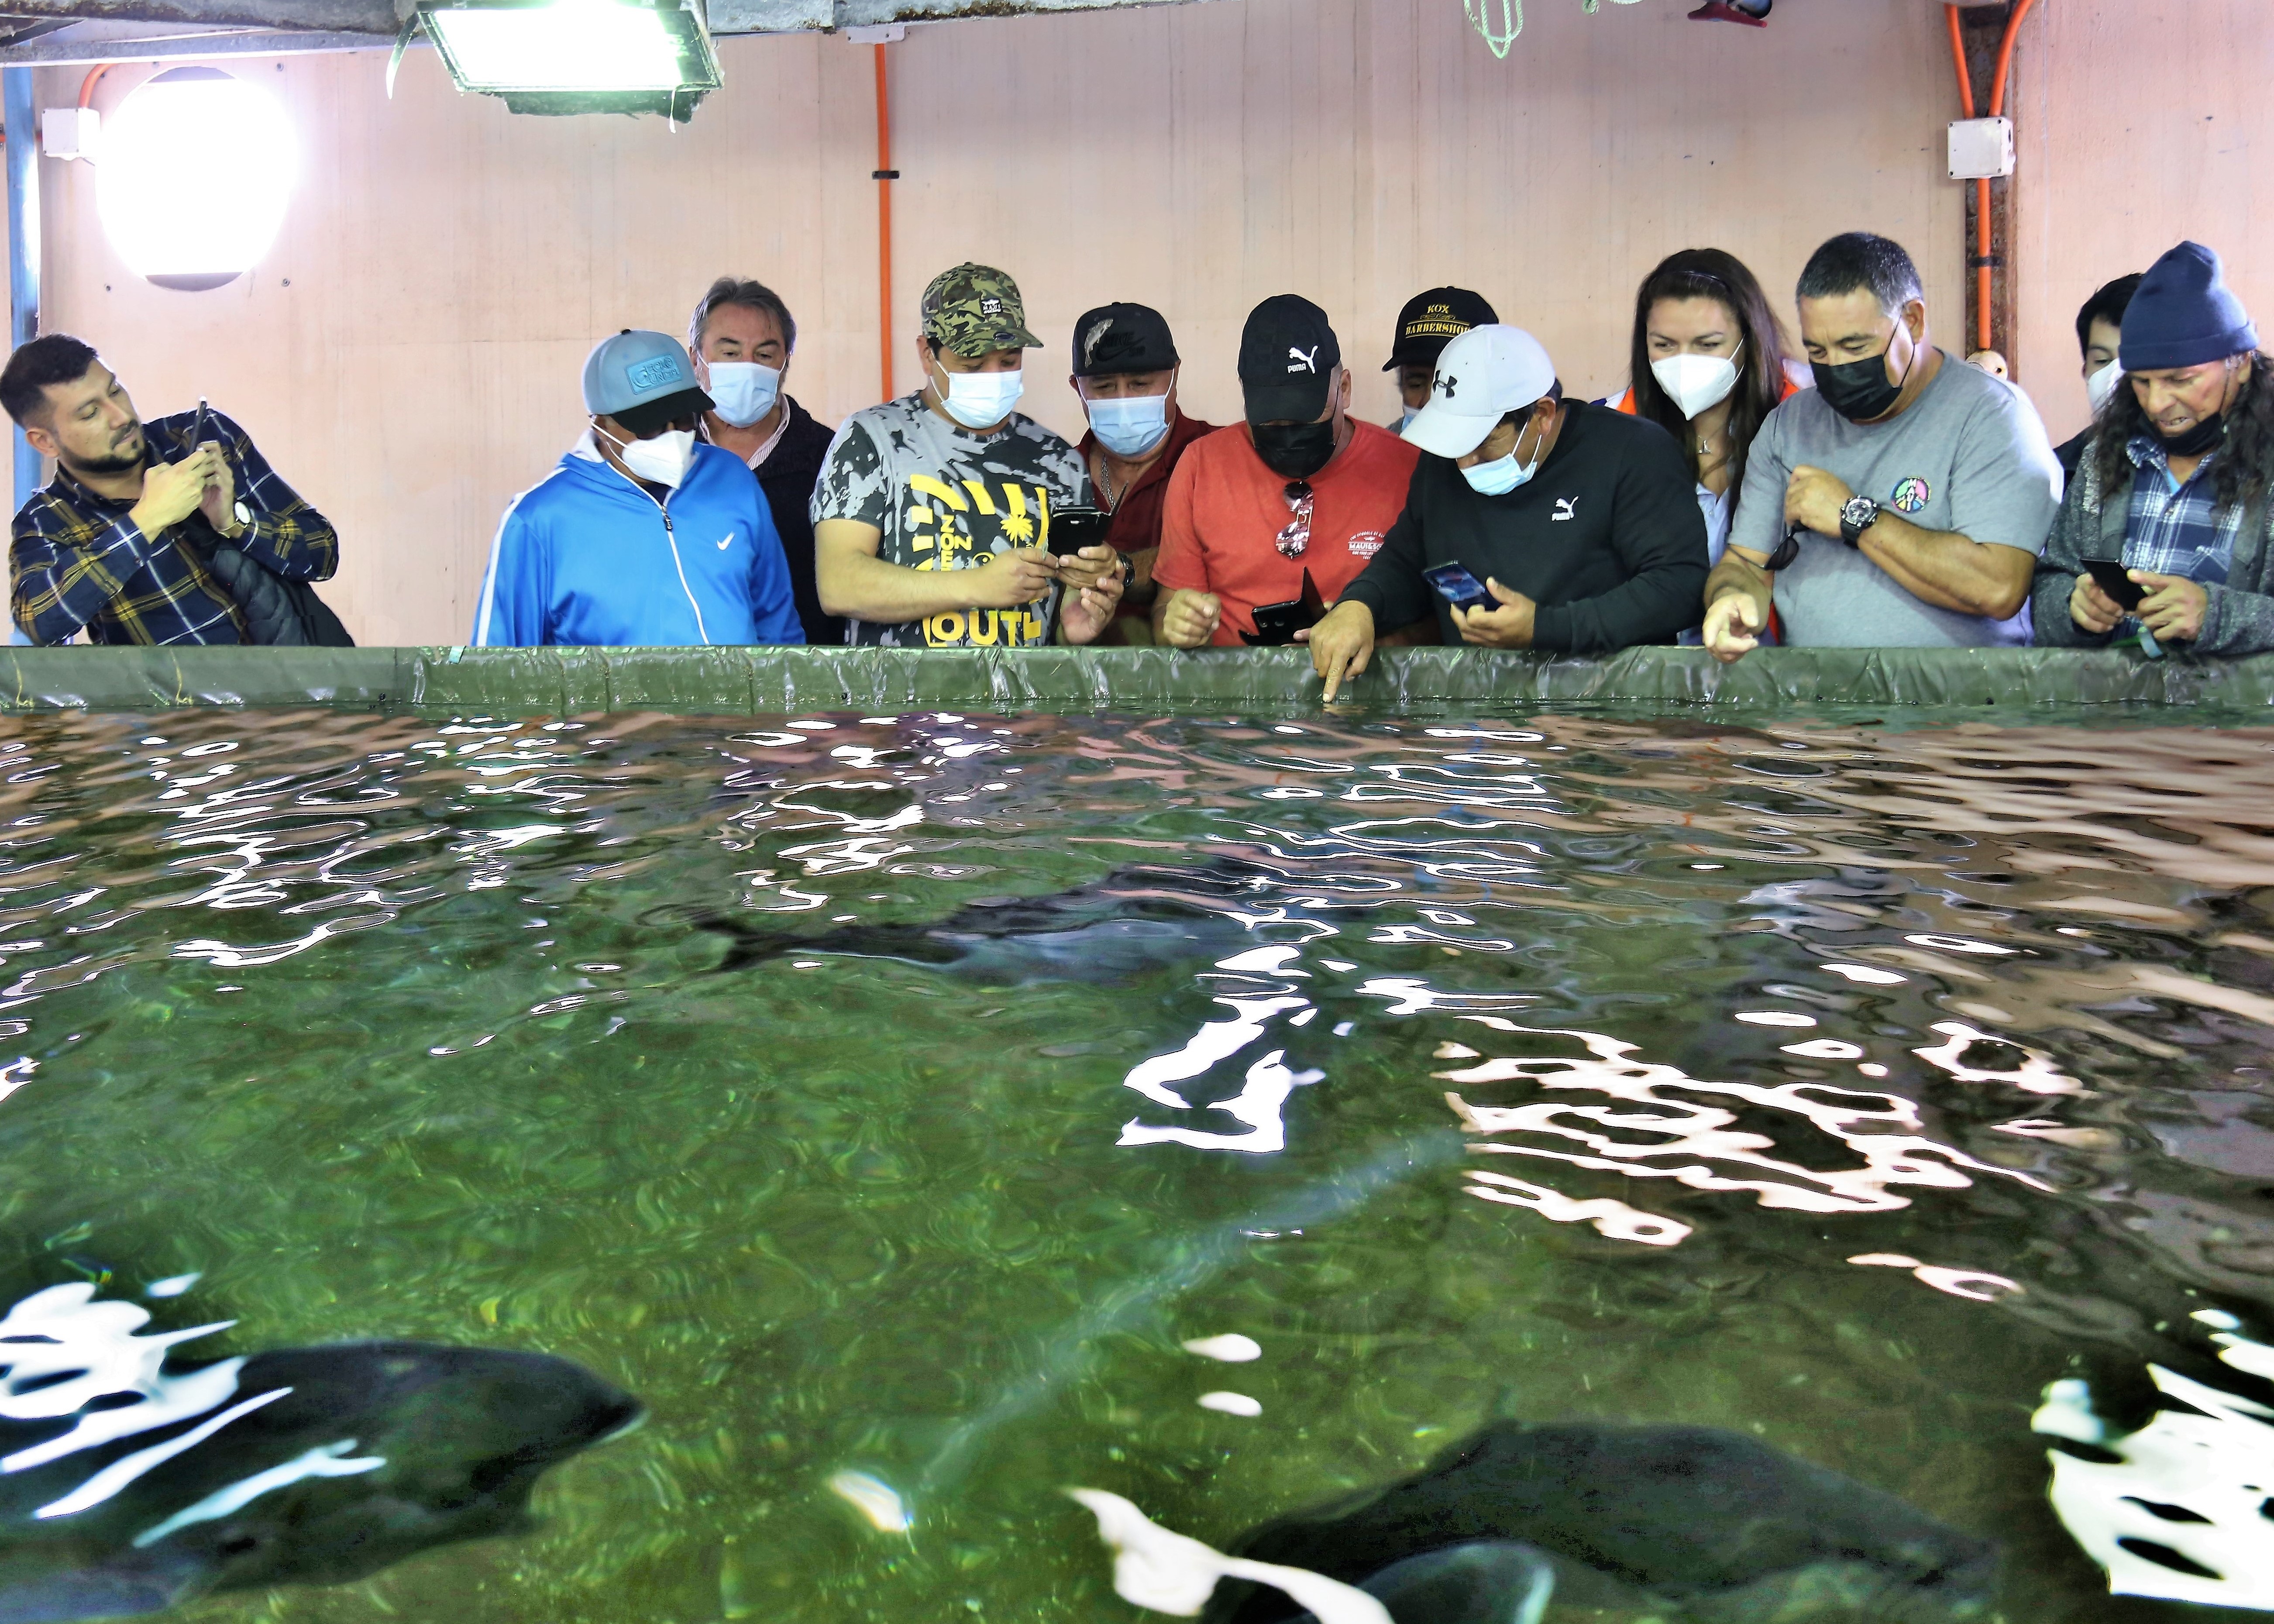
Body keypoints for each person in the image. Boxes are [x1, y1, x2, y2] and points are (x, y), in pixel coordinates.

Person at [1701, 232, 2062, 663]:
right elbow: (1746, 564)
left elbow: (1998, 587)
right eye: (1818, 350)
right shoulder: (1789, 427)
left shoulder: (1990, 417)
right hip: (1822, 714)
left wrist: (1854, 517)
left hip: (1965, 714)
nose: (1835, 366)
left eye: (1855, 346)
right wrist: (1730, 600)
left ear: (1912, 320)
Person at [1305, 325, 1709, 701]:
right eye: (1456, 444)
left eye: (1485, 442)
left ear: (1542, 416)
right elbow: (1407, 557)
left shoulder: (1632, 453)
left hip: (1614, 713)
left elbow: (1679, 586)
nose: (1466, 463)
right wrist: (1359, 606)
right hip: (1478, 721)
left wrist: (1545, 628)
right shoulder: (1443, 462)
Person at [811, 263, 1122, 649]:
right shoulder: (872, 439)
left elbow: (1063, 605)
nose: (994, 375)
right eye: (972, 365)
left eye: (1008, 361)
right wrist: (973, 586)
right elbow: (839, 585)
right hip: (901, 706)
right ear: (927, 354)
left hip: (1021, 706)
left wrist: (1076, 626)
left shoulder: (1059, 462)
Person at [2, 334, 341, 646]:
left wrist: (236, 522)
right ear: (45, 442)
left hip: (296, 693)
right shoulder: (46, 521)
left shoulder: (202, 438)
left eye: (116, 390)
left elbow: (323, 555)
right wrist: (145, 521)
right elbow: (39, 623)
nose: (120, 416)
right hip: (177, 710)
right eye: (90, 413)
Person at [473, 329, 802, 647]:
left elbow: (777, 622)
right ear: (602, 425)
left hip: (739, 706)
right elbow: (496, 670)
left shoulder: (731, 479)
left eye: (683, 418)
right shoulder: (539, 521)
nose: (673, 435)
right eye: (652, 425)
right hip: (616, 707)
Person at [2035, 241, 2274, 657]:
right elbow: (2051, 581)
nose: (2156, 403)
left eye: (2180, 380)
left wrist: (2215, 616)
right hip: (2111, 716)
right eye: (2141, 383)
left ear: (2241, 363)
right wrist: (2073, 609)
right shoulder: (2103, 459)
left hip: (2238, 721)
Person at [1152, 295, 1420, 648]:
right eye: (1271, 421)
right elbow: (1164, 614)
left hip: (1363, 693)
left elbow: (1442, 622)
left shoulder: (1408, 468)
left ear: (1344, 389)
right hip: (1234, 697)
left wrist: (1365, 634)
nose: (1289, 432)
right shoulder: (1200, 467)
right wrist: (1178, 625)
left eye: (1307, 416)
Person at [1613, 248, 1802, 581]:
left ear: (1749, 340)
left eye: (1708, 345)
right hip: (1655, 632)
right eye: (1664, 345)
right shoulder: (1612, 428)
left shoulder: (1802, 419)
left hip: (1776, 631)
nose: (1684, 362)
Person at [689, 275, 841, 645]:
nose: (747, 366)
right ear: (696, 359)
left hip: (805, 682)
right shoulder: (665, 456)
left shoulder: (831, 457)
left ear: (785, 364)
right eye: (729, 353)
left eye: (764, 355)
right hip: (687, 682)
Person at [1068, 301, 1217, 643]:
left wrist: (1119, 570)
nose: (1123, 400)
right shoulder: (1057, 473)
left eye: (1140, 384)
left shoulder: (1218, 459)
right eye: (1104, 388)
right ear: (1078, 388)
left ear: (1174, 374)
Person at [2055, 272, 2144, 479]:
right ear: (2085, 372)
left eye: (2131, 360)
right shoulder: (2061, 471)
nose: (2116, 377)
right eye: (2102, 361)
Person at [1384, 287, 1497, 430]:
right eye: (1416, 384)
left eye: (1450, 383)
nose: (1428, 401)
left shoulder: (1521, 448)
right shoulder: (1382, 450)